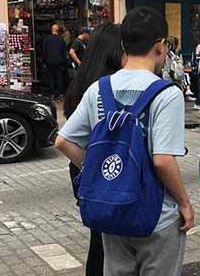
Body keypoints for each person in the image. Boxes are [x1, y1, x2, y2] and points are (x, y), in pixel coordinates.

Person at [55, 7, 194, 276]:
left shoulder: (99, 88)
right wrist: (185, 203)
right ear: (159, 46)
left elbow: (63, 141)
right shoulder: (166, 94)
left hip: (113, 211)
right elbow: (163, 160)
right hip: (158, 215)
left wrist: (96, 167)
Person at [63, 23, 124, 276]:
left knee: (98, 240)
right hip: (112, 172)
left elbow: (69, 138)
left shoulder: (80, 85)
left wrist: (89, 166)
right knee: (117, 245)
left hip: (81, 172)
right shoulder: (110, 88)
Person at [43, 23, 67, 99]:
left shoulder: (47, 39)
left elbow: (44, 50)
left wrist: (44, 61)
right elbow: (63, 51)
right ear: (58, 30)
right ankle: (60, 94)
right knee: (59, 77)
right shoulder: (61, 39)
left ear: (51, 30)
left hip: (49, 61)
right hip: (59, 61)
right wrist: (65, 62)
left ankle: (52, 94)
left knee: (51, 78)